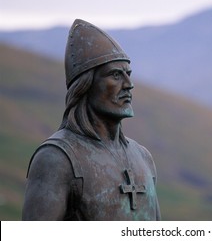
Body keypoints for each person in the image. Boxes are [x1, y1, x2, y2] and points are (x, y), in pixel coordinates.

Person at [22, 19, 161, 220]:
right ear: (85, 85)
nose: (129, 84)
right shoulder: (56, 159)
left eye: (128, 74)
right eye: (116, 75)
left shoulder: (143, 157)